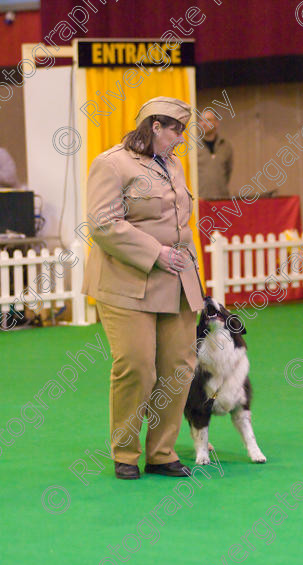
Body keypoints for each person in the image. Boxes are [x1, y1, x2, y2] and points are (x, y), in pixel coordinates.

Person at [82, 97, 204, 480]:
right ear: (155, 126)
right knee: (136, 365)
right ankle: (125, 452)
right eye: (176, 130)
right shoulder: (110, 163)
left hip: (176, 280)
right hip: (126, 282)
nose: (181, 139)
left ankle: (162, 452)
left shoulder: (174, 165)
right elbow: (102, 224)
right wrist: (156, 253)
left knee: (178, 369)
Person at [197, 110, 233, 200]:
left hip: (222, 199)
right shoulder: (193, 147)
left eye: (208, 120)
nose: (203, 124)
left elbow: (228, 171)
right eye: (201, 120)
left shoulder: (225, 146)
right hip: (200, 201)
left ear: (216, 123)